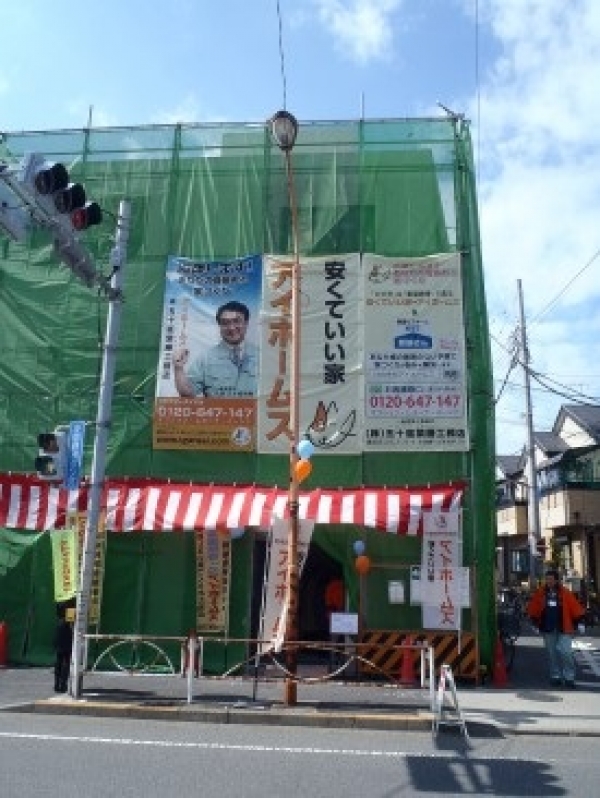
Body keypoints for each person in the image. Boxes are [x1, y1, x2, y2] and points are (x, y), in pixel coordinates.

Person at [173, 300, 258, 398]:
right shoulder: (205, 358)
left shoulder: (262, 356)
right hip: (218, 408)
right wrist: (178, 368)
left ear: (246, 323)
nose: (231, 327)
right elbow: (187, 394)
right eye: (225, 323)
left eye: (236, 321)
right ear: (219, 326)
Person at [527, 567, 585, 688]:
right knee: (552, 654)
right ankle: (555, 675)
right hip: (548, 627)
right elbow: (534, 608)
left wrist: (580, 622)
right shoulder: (541, 593)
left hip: (564, 627)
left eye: (551, 579)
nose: (549, 581)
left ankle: (569, 677)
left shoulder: (565, 592)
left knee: (566, 652)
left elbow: (574, 607)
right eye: (547, 579)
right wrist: (534, 622)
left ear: (557, 580)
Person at [54, 601, 74, 693]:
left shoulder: (60, 599)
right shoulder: (71, 602)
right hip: (67, 630)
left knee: (59, 659)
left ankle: (57, 683)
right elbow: (71, 618)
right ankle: (63, 684)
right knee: (66, 660)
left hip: (59, 629)